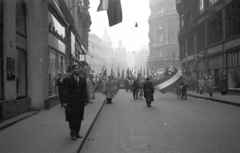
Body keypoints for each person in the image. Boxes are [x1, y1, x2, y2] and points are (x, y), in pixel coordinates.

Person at [63, 64, 89, 140]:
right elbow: (65, 91)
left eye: (78, 68)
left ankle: (77, 132)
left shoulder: (82, 79)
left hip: (80, 102)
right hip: (71, 102)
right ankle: (73, 133)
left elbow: (84, 90)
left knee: (79, 118)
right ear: (73, 69)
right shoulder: (67, 79)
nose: (77, 70)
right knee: (72, 118)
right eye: (75, 68)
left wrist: (86, 100)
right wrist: (65, 102)